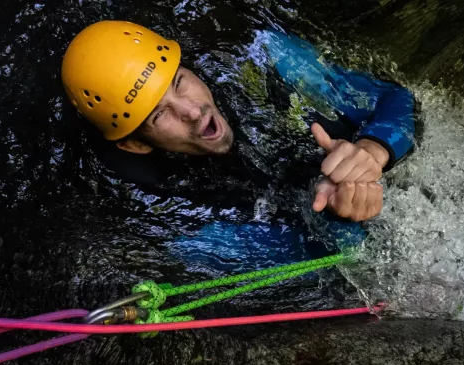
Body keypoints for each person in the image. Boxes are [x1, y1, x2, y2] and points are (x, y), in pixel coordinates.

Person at [61, 20, 415, 224]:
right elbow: (301, 266)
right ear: (135, 144)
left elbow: (400, 98)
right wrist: (338, 213)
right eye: (158, 114)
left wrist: (375, 148)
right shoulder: (167, 206)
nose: (192, 111)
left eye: (179, 82)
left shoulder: (267, 58)